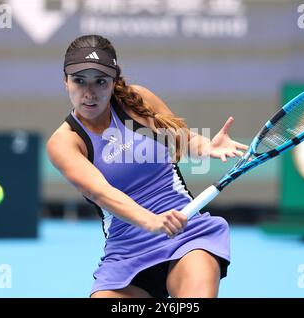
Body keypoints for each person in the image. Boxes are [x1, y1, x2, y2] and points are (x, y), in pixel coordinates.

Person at [47, 34, 248, 298]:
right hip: (126, 254)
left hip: (185, 234)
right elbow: (101, 192)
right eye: (79, 81)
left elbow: (183, 139)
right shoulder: (64, 142)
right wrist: (151, 221)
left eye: (100, 81)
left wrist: (206, 147)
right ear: (65, 81)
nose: (89, 93)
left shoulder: (137, 100)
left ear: (114, 81)